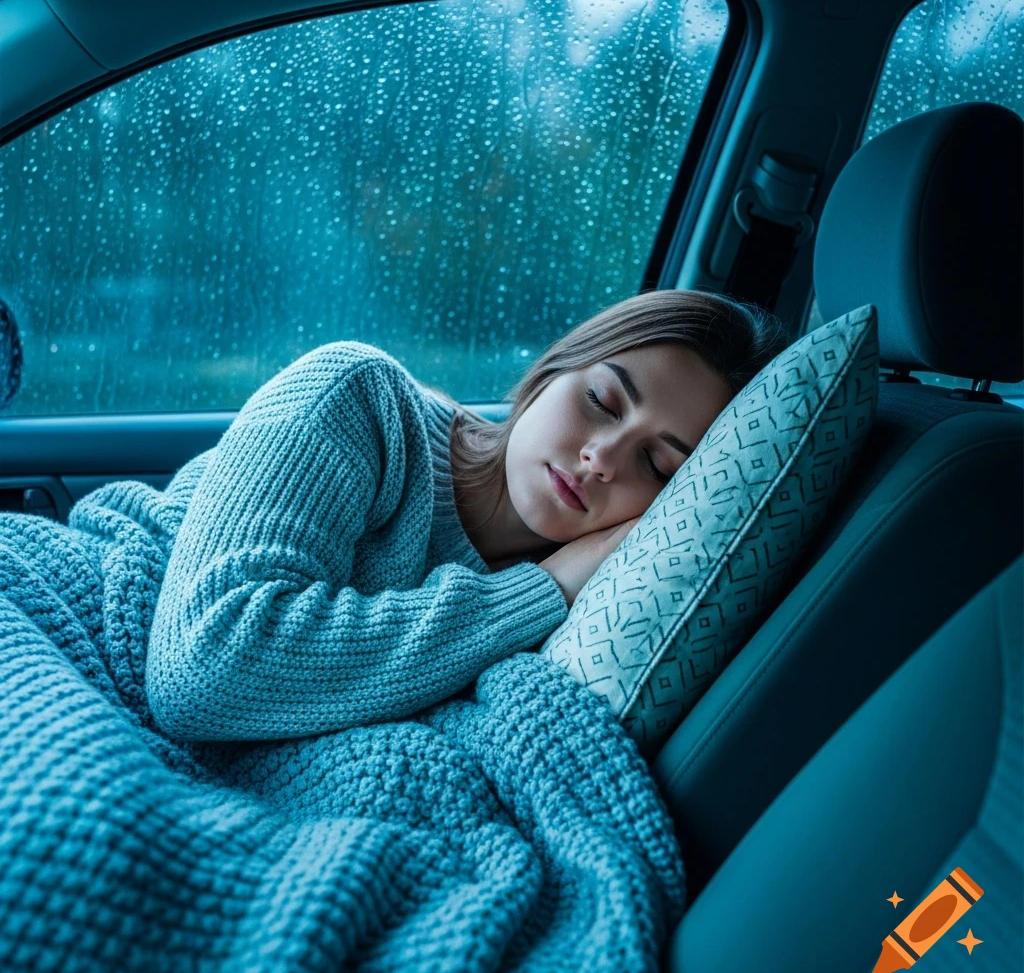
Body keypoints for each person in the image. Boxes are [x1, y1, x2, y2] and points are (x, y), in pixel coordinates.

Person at [143, 289, 787, 743]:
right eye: (601, 399)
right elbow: (204, 668)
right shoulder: (359, 400)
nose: (602, 459)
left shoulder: (605, 610)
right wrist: (545, 588)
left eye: (659, 467)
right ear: (554, 367)